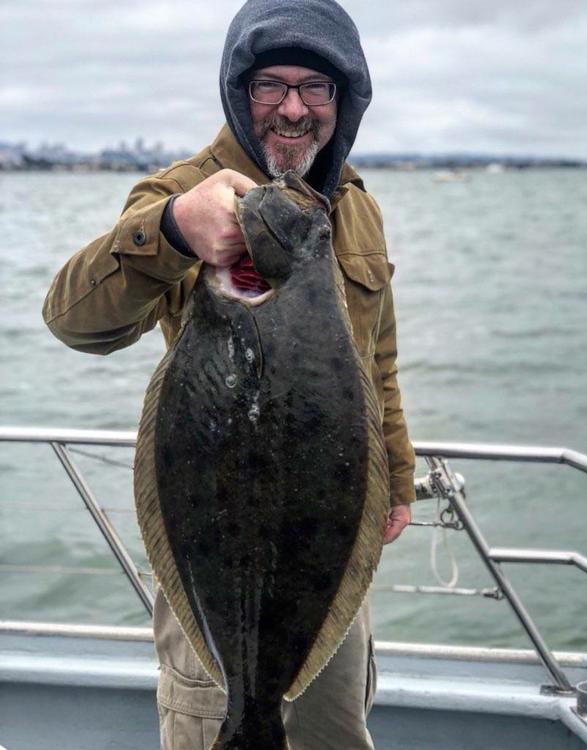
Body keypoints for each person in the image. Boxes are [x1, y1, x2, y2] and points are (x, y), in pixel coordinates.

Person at [42, 0, 416, 747]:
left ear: (345, 101)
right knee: (221, 720)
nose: (293, 107)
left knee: (335, 732)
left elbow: (376, 363)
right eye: (269, 85)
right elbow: (73, 318)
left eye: (317, 88)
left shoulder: (354, 204)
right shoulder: (181, 192)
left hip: (325, 534)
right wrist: (177, 228)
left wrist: (395, 478)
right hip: (219, 542)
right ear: (238, 91)